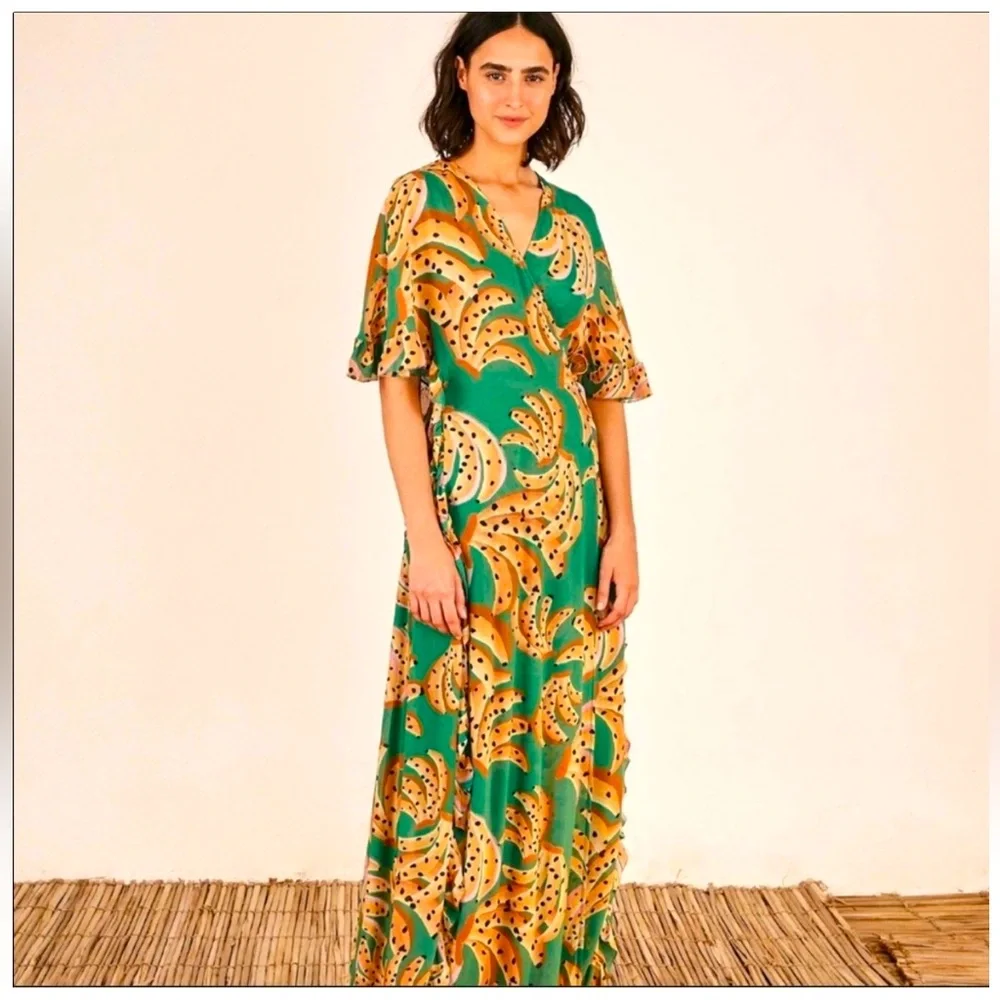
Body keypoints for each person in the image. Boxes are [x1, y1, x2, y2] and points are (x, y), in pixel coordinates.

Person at [345, 12, 652, 988]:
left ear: (557, 85)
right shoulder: (418, 205)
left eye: (535, 75)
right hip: (467, 531)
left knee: (557, 747)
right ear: (461, 77)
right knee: (459, 739)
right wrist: (425, 541)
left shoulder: (576, 222)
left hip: (571, 541)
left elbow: (604, 389)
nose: (515, 94)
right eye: (495, 72)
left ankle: (540, 965)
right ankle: (445, 968)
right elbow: (398, 382)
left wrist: (624, 535)